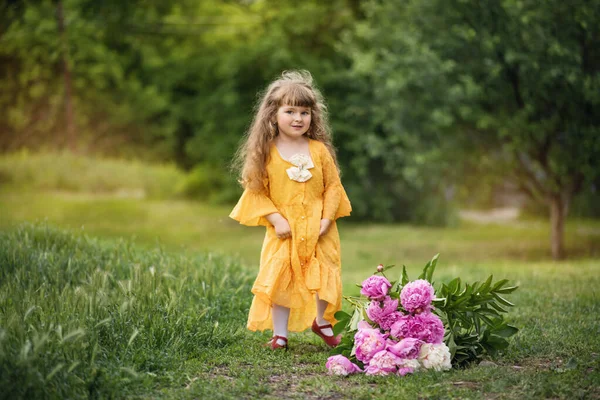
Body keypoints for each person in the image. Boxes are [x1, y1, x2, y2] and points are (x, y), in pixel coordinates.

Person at [230, 70, 351, 350]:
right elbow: (256, 189)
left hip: (319, 228)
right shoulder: (266, 151)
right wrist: (275, 218)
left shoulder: (318, 150)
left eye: (305, 112)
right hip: (284, 230)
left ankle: (321, 321)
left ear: (313, 116)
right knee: (281, 279)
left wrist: (327, 218)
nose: (298, 118)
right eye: (290, 111)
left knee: (324, 274)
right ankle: (280, 334)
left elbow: (333, 186)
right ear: (273, 114)